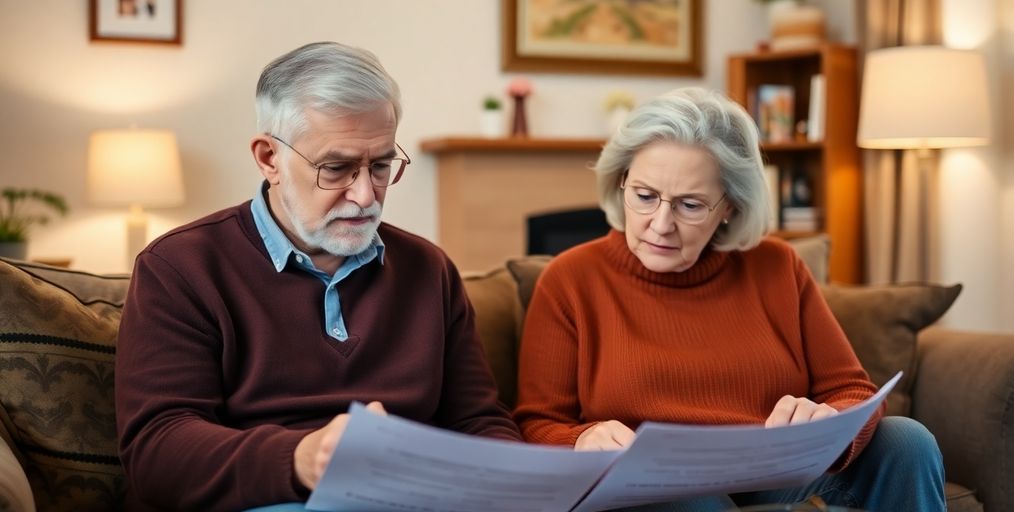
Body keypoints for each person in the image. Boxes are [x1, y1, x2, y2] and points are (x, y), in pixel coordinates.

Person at [115, 42, 520, 511]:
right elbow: (156, 452)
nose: (366, 196)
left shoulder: (429, 269)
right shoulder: (180, 268)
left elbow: (479, 422)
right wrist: (300, 459)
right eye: (337, 168)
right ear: (269, 158)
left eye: (382, 166)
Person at [513, 87, 945, 511]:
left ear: (730, 208)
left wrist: (829, 422)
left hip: (777, 479)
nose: (660, 224)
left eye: (690, 205)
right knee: (683, 496)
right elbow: (537, 422)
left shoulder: (777, 267)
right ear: (620, 181)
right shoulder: (570, 280)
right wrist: (581, 439)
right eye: (644, 196)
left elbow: (851, 389)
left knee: (907, 441)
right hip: (656, 490)